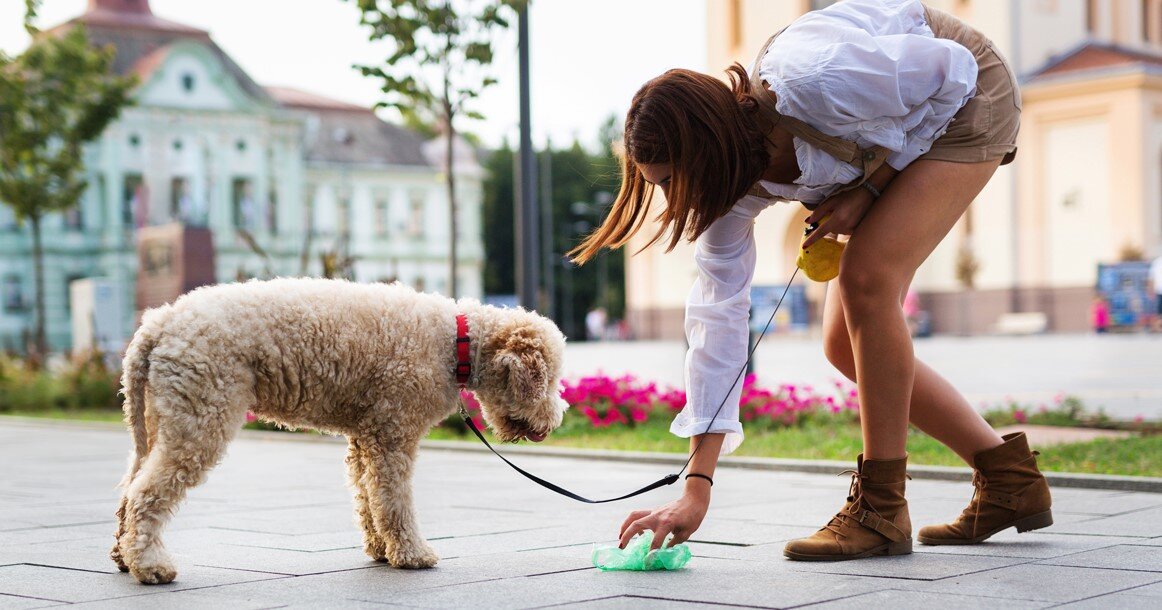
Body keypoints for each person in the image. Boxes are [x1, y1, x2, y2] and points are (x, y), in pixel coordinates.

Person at [569, 0, 1052, 562]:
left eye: (674, 179)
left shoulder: (816, 79)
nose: (676, 199)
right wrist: (695, 490)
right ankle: (1009, 482)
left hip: (965, 93)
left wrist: (870, 189)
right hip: (897, 127)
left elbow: (952, 72)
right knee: (841, 343)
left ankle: (881, 509)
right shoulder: (727, 189)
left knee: (867, 280)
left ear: (708, 148)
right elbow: (717, 324)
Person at [1150, 253, 1162, 332]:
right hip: (1159, 290)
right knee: (1159, 311)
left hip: (1158, 290)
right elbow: (1151, 278)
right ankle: (1158, 328)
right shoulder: (1157, 262)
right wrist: (1151, 290)